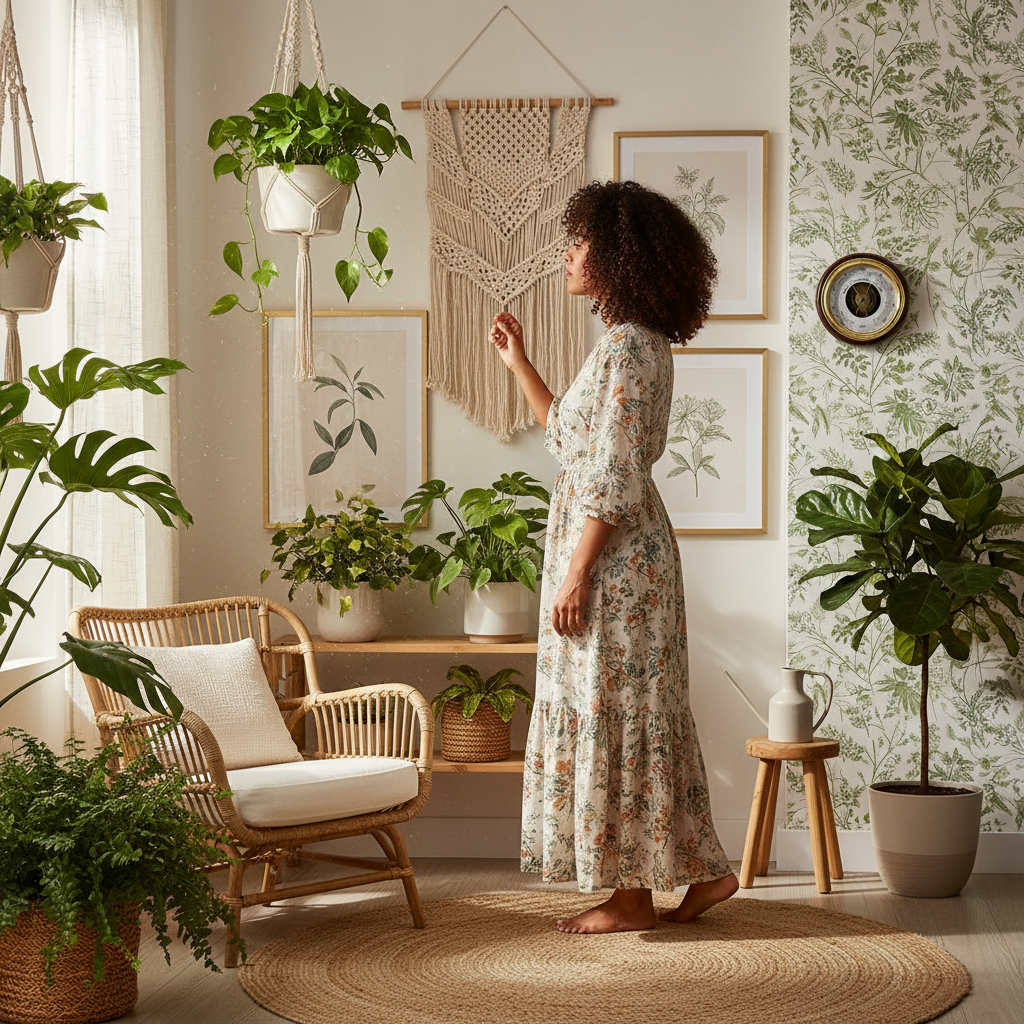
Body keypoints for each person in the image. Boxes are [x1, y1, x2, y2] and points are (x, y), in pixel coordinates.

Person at [489, 179, 738, 934]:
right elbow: (574, 443)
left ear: (618, 255)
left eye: (579, 242)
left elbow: (617, 472)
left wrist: (576, 571)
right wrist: (518, 364)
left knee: (615, 711)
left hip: (615, 560)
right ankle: (706, 873)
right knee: (635, 714)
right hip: (618, 551)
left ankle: (632, 898)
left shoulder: (630, 348)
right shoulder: (631, 344)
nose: (568, 254)